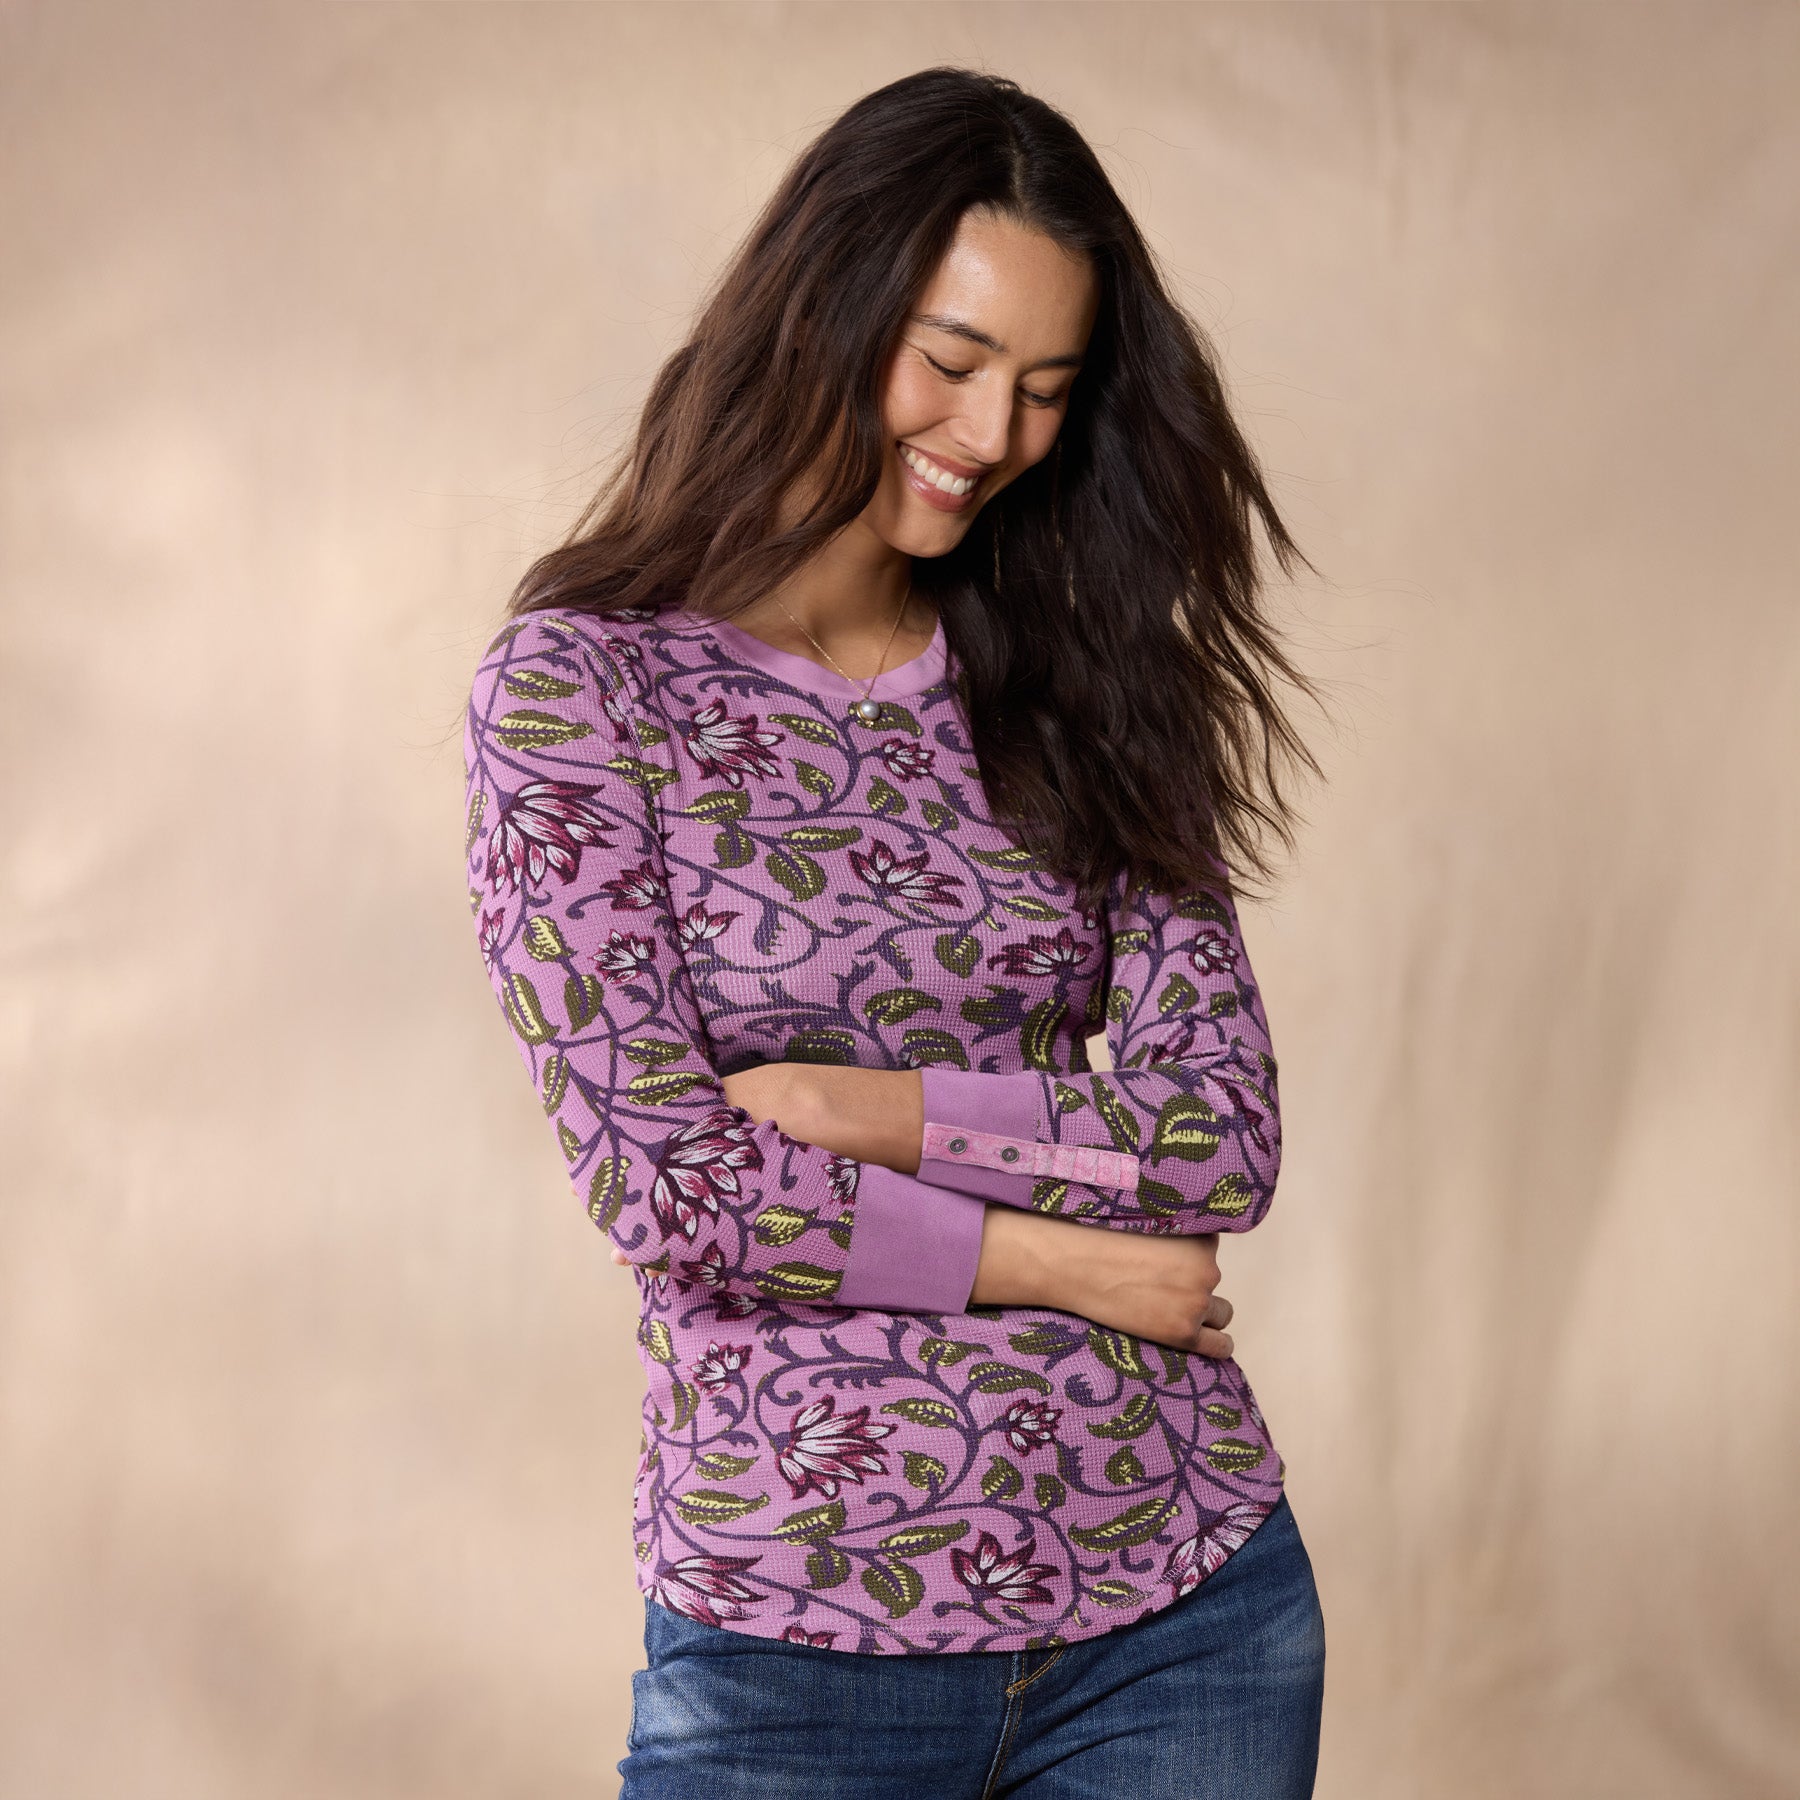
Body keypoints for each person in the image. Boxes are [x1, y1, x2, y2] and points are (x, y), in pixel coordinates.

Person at [461, 65, 1326, 1800]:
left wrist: (861, 1111)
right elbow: (678, 1192)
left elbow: (1218, 1134)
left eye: (1046, 391)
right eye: (953, 360)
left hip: (1184, 1610)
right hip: (793, 1634)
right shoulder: (583, 696)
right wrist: (1077, 1263)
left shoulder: (1079, 685)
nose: (993, 434)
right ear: (827, 309)